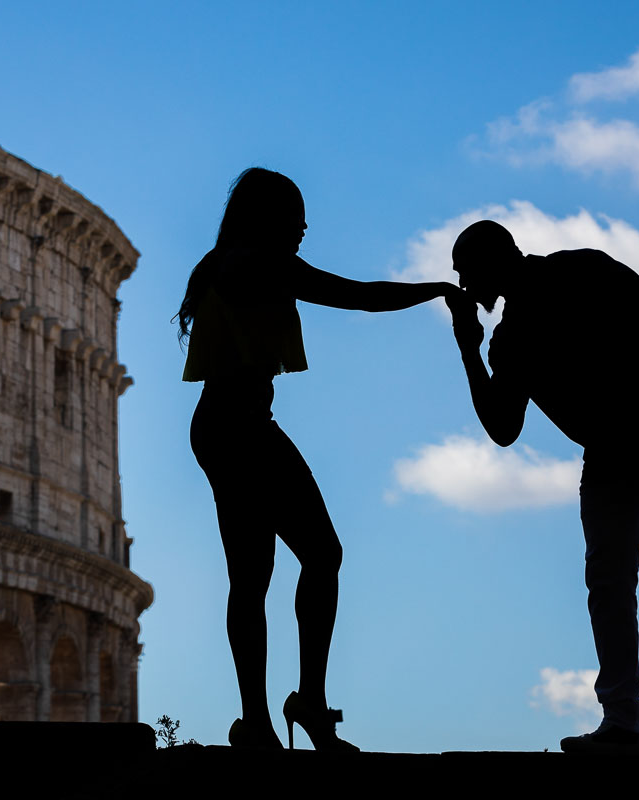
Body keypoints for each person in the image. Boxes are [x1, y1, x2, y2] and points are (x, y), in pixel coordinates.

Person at [444, 219, 639, 754]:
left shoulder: (530, 319)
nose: (462, 284)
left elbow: (502, 428)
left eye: (465, 272)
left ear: (489, 266)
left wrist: (467, 349)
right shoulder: (572, 279)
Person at [178, 168, 461, 750]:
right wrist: (436, 291)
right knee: (317, 555)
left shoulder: (222, 262)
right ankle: (299, 704)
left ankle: (261, 718)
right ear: (268, 217)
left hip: (228, 426)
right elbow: (359, 295)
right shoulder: (257, 261)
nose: (305, 226)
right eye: (295, 214)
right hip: (240, 428)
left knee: (255, 576)